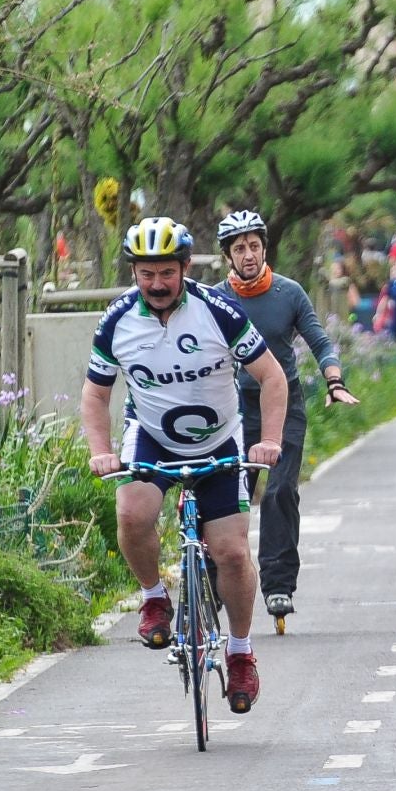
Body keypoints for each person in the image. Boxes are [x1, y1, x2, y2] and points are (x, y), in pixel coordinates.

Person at [82, 217, 286, 714]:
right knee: (131, 513)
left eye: (165, 273)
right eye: (145, 273)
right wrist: (100, 450)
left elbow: (273, 377)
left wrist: (270, 442)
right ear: (134, 272)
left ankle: (240, 653)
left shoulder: (219, 312)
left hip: (220, 439)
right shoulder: (117, 320)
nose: (155, 284)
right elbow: (96, 392)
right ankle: (154, 597)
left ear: (185, 268)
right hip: (152, 437)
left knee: (232, 552)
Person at [209, 209, 360, 626]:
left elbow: (319, 340)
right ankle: (211, 580)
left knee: (278, 492)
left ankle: (277, 586)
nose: (249, 254)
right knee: (226, 500)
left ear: (264, 248)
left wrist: (334, 380)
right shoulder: (215, 300)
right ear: (228, 256)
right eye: (239, 248)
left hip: (285, 406)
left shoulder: (289, 293)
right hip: (233, 410)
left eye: (254, 245)